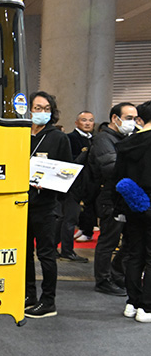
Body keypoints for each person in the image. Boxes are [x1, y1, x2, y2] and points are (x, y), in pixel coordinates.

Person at [24, 91, 72, 319]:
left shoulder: (58, 138)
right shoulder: (20, 133)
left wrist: (49, 183)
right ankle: (28, 295)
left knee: (46, 254)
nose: (41, 112)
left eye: (45, 109)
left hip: (46, 204)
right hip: (21, 203)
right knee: (24, 253)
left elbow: (66, 173)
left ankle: (48, 301)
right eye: (37, 107)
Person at [90, 103, 138, 296]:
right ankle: (102, 279)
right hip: (109, 197)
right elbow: (110, 167)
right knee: (108, 240)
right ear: (115, 118)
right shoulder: (103, 138)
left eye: (135, 119)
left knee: (129, 239)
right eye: (128, 118)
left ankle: (117, 273)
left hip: (125, 196)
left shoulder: (126, 138)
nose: (132, 123)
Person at [113, 100, 151, 323]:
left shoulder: (127, 143)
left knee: (134, 254)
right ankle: (147, 307)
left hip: (132, 204)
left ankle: (132, 302)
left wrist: (119, 207)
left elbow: (117, 178)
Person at [57, 111, 95, 262]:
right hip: (72, 185)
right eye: (84, 120)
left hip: (88, 185)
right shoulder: (70, 138)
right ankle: (66, 250)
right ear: (76, 122)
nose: (87, 123)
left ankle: (55, 247)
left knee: (70, 218)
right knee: (69, 219)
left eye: (91, 120)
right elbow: (69, 163)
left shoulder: (94, 139)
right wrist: (84, 154)